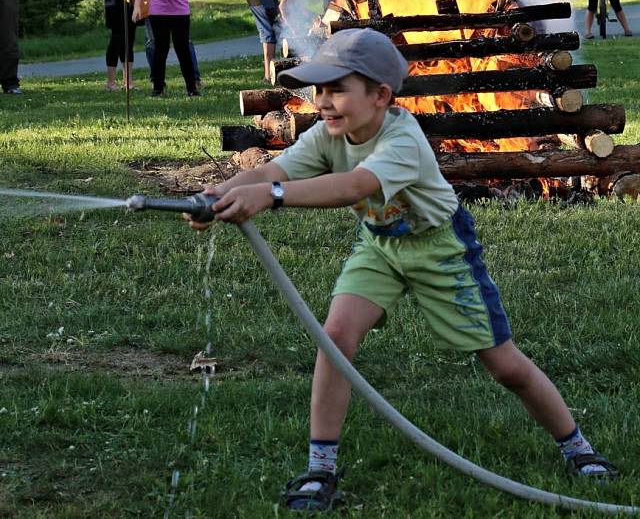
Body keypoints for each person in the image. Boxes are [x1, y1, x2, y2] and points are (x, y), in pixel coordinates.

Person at [187, 29, 619, 511]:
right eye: (319, 90)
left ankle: (577, 448)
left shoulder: (402, 138)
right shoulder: (327, 133)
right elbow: (273, 171)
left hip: (440, 250)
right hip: (379, 247)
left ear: (380, 95)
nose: (323, 102)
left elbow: (354, 186)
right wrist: (218, 193)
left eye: (337, 89)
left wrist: (271, 198)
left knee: (504, 365)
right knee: (335, 339)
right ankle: (320, 467)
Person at [241, 0, 316, 82]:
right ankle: (268, 76)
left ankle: (284, 68)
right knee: (270, 27)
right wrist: (295, 30)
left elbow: (297, 4)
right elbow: (284, 7)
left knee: (276, 25)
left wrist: (311, 19)